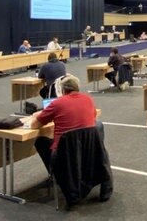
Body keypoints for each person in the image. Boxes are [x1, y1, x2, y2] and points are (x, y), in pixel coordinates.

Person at [30, 75, 112, 205]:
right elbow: (93, 117)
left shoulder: (57, 103)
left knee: (41, 141)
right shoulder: (88, 99)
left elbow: (35, 125)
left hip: (66, 152)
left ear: (62, 91)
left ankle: (55, 175)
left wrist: (38, 115)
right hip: (88, 149)